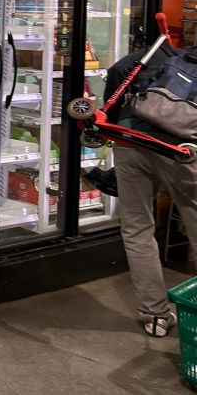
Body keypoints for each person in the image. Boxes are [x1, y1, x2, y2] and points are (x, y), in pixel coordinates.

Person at [105, 41, 197, 337]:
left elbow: (116, 72)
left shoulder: (157, 53)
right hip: (181, 153)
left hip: (130, 141)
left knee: (137, 230)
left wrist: (113, 122)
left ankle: (155, 316)